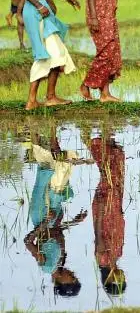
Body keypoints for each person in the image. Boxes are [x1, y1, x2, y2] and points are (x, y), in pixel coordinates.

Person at [23, 126, 92, 298]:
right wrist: (74, 222)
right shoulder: (60, 262)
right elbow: (56, 232)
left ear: (62, 282)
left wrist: (45, 222)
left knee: (49, 172)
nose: (73, 275)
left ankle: (37, 130)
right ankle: (47, 130)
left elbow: (28, 241)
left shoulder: (47, 266)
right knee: (57, 170)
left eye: (72, 280)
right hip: (53, 214)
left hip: (42, 213)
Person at [85, 123, 127, 296]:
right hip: (114, 211)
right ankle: (108, 137)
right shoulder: (115, 258)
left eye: (118, 281)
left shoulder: (103, 259)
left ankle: (99, 141)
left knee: (108, 174)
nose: (122, 277)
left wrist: (101, 210)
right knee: (115, 172)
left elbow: (98, 233)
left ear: (109, 279)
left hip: (106, 211)